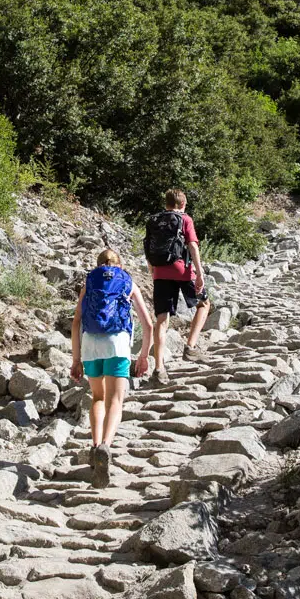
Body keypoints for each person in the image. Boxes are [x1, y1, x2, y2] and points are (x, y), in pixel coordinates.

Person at [71, 249, 152, 487]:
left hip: (90, 344)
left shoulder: (89, 282)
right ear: (120, 264)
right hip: (117, 343)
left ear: (98, 265)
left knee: (97, 397)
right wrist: (144, 356)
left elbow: (76, 321)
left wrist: (76, 359)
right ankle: (106, 445)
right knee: (115, 400)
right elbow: (148, 323)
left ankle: (95, 446)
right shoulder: (127, 282)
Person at [144, 188, 211, 386]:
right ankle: (190, 347)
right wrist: (199, 273)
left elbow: (148, 248)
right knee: (204, 304)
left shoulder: (153, 221)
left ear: (166, 203)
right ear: (183, 204)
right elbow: (193, 246)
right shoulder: (185, 219)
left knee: (162, 319)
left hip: (160, 272)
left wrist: (153, 271)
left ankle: (159, 368)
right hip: (182, 271)